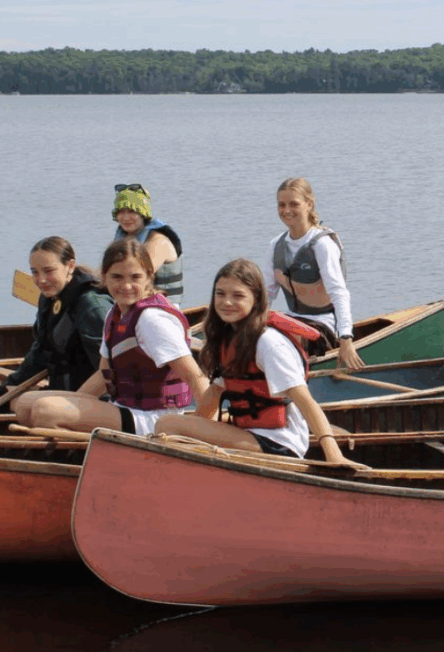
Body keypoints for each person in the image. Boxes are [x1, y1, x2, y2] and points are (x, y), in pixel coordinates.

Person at [155, 259, 365, 467]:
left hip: (279, 444)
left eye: (238, 295)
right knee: (173, 428)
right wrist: (196, 428)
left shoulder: (268, 343)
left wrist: (333, 454)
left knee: (167, 423)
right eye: (220, 294)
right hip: (252, 434)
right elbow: (212, 398)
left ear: (255, 299)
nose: (227, 302)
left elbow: (305, 400)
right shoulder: (231, 337)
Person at [12, 238, 208, 434]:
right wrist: (70, 402)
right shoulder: (114, 314)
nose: (126, 285)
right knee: (24, 405)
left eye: (135, 277)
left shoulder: (152, 320)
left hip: (154, 420)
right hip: (125, 408)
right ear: (104, 277)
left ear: (149, 276)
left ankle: (82, 455)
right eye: (117, 277)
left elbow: (195, 377)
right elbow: (104, 375)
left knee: (46, 411)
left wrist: (205, 429)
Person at [0, 236, 113, 412]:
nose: (41, 280)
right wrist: (8, 388)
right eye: (35, 272)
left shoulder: (91, 305)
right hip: (61, 392)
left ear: (70, 266)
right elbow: (41, 352)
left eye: (49, 271)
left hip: (91, 400)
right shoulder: (49, 298)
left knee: (28, 409)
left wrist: (72, 405)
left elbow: (110, 371)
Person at [263, 177, 364, 370]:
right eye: (281, 205)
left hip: (323, 326)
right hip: (292, 319)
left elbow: (339, 293)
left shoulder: (322, 245)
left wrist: (346, 338)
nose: (286, 211)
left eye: (294, 204)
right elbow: (267, 293)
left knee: (278, 341)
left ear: (309, 204)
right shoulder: (275, 245)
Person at [112, 183, 184, 305]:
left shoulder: (158, 241)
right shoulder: (124, 237)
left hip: (164, 308)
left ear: (143, 213)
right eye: (121, 212)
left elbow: (138, 274)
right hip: (135, 304)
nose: (125, 217)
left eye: (131, 211)